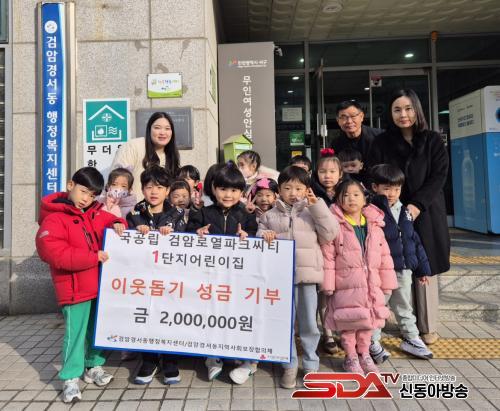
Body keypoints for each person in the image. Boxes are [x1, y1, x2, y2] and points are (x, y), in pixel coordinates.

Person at [35, 167, 127, 403]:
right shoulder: (54, 218)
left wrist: (118, 222)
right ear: (70, 185)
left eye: (92, 195)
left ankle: (93, 365)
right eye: (83, 191)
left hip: (98, 287)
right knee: (75, 335)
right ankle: (70, 378)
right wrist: (92, 257)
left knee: (95, 330)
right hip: (74, 289)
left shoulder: (94, 213)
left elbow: (110, 220)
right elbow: (53, 252)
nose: (86, 198)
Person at [370, 89, 450, 345]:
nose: (403, 114)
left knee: (426, 264)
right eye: (397, 109)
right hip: (391, 212)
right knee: (397, 264)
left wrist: (416, 205)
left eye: (408, 108)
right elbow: (374, 174)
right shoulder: (381, 142)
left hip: (426, 211)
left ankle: (427, 326)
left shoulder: (433, 140)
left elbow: (439, 175)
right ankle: (404, 322)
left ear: (417, 110)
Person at [257, 166, 339, 389]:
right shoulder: (269, 215)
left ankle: (311, 363)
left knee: (309, 323)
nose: (293, 193)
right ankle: (289, 364)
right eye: (287, 188)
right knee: (284, 324)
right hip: (279, 279)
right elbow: (259, 235)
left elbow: (331, 233)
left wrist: (317, 206)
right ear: (279, 191)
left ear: (307, 190)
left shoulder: (312, 211)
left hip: (307, 278)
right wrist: (264, 234)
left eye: (298, 188)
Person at [186, 161, 258, 384]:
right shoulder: (203, 213)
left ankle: (244, 358)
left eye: (234, 190)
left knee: (237, 315)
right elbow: (188, 236)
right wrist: (196, 233)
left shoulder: (246, 215)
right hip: (211, 277)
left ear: (241, 192)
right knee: (212, 314)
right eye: (223, 189)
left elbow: (256, 240)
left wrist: (248, 237)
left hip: (238, 279)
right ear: (214, 189)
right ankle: (213, 356)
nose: (228, 195)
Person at [321, 179, 397, 374]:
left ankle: (364, 354)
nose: (351, 199)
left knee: (367, 323)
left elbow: (384, 256)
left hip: (371, 284)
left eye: (356, 195)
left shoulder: (374, 225)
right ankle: (351, 357)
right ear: (338, 200)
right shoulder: (335, 225)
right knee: (348, 323)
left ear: (365, 199)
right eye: (345, 195)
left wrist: (387, 283)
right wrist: (328, 284)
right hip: (345, 284)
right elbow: (328, 257)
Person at [369, 164, 434, 363]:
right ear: (375, 187)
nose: (392, 193)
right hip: (381, 270)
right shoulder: (371, 211)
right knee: (378, 306)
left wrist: (422, 268)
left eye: (396, 189)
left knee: (405, 306)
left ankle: (411, 338)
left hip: (404, 269)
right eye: (386, 188)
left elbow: (414, 239)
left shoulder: (405, 211)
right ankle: (371, 341)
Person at [126, 166, 181, 385]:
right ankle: (148, 361)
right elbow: (123, 243)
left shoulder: (178, 214)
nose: (154, 191)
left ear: (167, 190)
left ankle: (170, 360)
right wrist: (131, 231)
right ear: (142, 189)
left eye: (159, 187)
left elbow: (188, 244)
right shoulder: (134, 214)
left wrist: (172, 235)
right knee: (146, 315)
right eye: (149, 187)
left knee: (169, 317)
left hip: (170, 279)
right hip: (144, 277)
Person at [111, 112, 180, 200]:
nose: (162, 132)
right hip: (130, 206)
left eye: (167, 128)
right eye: (157, 128)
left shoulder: (171, 155)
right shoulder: (134, 146)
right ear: (149, 129)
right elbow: (116, 181)